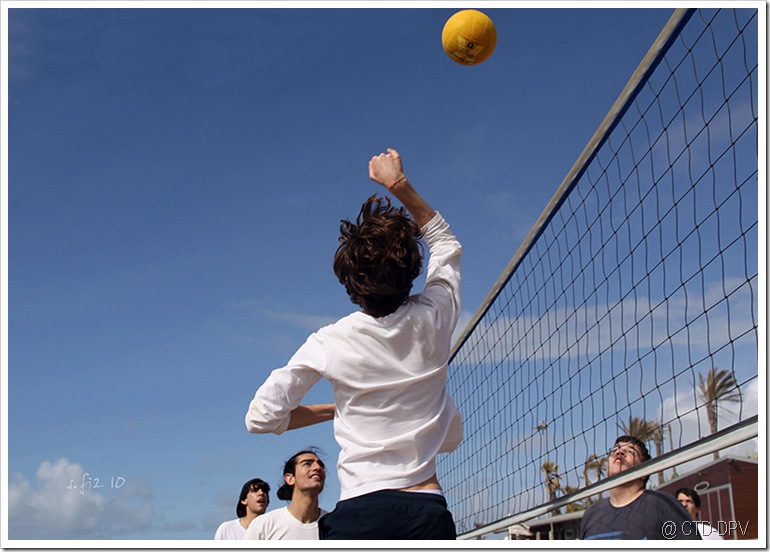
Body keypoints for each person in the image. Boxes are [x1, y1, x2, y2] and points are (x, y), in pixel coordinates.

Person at [245, 148, 462, 539]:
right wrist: (398, 185)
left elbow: (261, 419)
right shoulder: (436, 317)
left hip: (359, 514)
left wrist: (334, 410)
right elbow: (444, 242)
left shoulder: (329, 342)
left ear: (349, 283)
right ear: (412, 270)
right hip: (426, 512)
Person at [580, 436, 700, 540]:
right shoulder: (591, 514)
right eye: (615, 450)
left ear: (644, 471)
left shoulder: (665, 505)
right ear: (606, 469)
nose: (619, 452)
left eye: (630, 452)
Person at [242, 450, 328, 540]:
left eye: (321, 465)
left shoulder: (333, 525)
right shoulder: (264, 524)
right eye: (307, 464)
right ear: (290, 479)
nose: (317, 467)